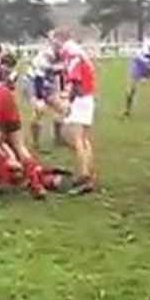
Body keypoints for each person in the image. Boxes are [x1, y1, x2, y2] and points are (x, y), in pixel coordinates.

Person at [54, 31, 97, 195]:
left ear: (60, 40)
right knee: (83, 140)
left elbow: (74, 79)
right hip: (87, 98)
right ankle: (88, 173)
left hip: (79, 99)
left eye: (54, 40)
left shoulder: (70, 53)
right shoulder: (77, 51)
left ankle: (84, 177)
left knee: (75, 138)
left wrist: (66, 99)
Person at [22, 45, 66, 149]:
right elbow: (38, 80)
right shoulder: (43, 59)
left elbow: (62, 74)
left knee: (61, 108)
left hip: (48, 82)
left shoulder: (63, 57)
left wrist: (62, 91)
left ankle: (58, 138)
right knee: (39, 110)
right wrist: (40, 99)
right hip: (32, 83)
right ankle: (35, 142)